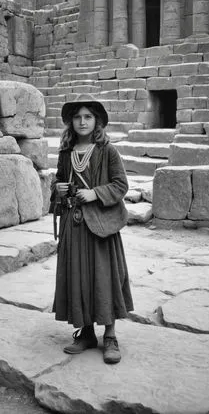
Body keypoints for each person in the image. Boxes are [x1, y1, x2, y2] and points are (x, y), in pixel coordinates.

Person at [50, 93, 134, 365]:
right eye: (77, 117)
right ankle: (86, 332)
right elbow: (60, 184)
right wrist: (59, 189)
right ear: (71, 122)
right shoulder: (66, 153)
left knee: (103, 276)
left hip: (100, 226)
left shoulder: (107, 151)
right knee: (78, 276)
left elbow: (121, 185)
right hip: (73, 226)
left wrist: (95, 194)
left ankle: (109, 336)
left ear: (96, 121)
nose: (82, 121)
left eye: (88, 117)